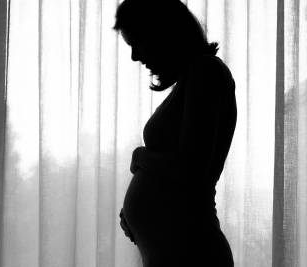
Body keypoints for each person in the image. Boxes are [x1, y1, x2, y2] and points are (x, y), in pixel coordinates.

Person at [114, 0, 237, 266]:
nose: (135, 56)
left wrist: (140, 157)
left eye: (137, 42)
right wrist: (141, 218)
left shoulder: (207, 72)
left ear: (161, 33)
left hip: (194, 253)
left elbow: (192, 169)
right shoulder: (192, 78)